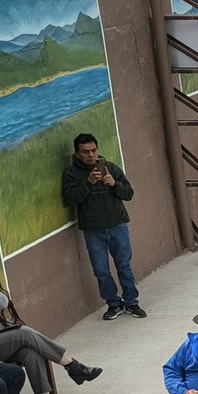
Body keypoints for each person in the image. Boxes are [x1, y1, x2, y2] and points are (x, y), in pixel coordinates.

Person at [60, 133, 143, 320]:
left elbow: (128, 193)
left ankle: (132, 302)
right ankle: (113, 304)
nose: (91, 155)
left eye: (93, 150)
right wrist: (88, 182)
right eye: (85, 152)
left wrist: (114, 184)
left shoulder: (110, 167)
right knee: (101, 270)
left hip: (117, 226)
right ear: (77, 154)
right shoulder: (71, 173)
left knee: (124, 266)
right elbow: (70, 198)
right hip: (93, 231)